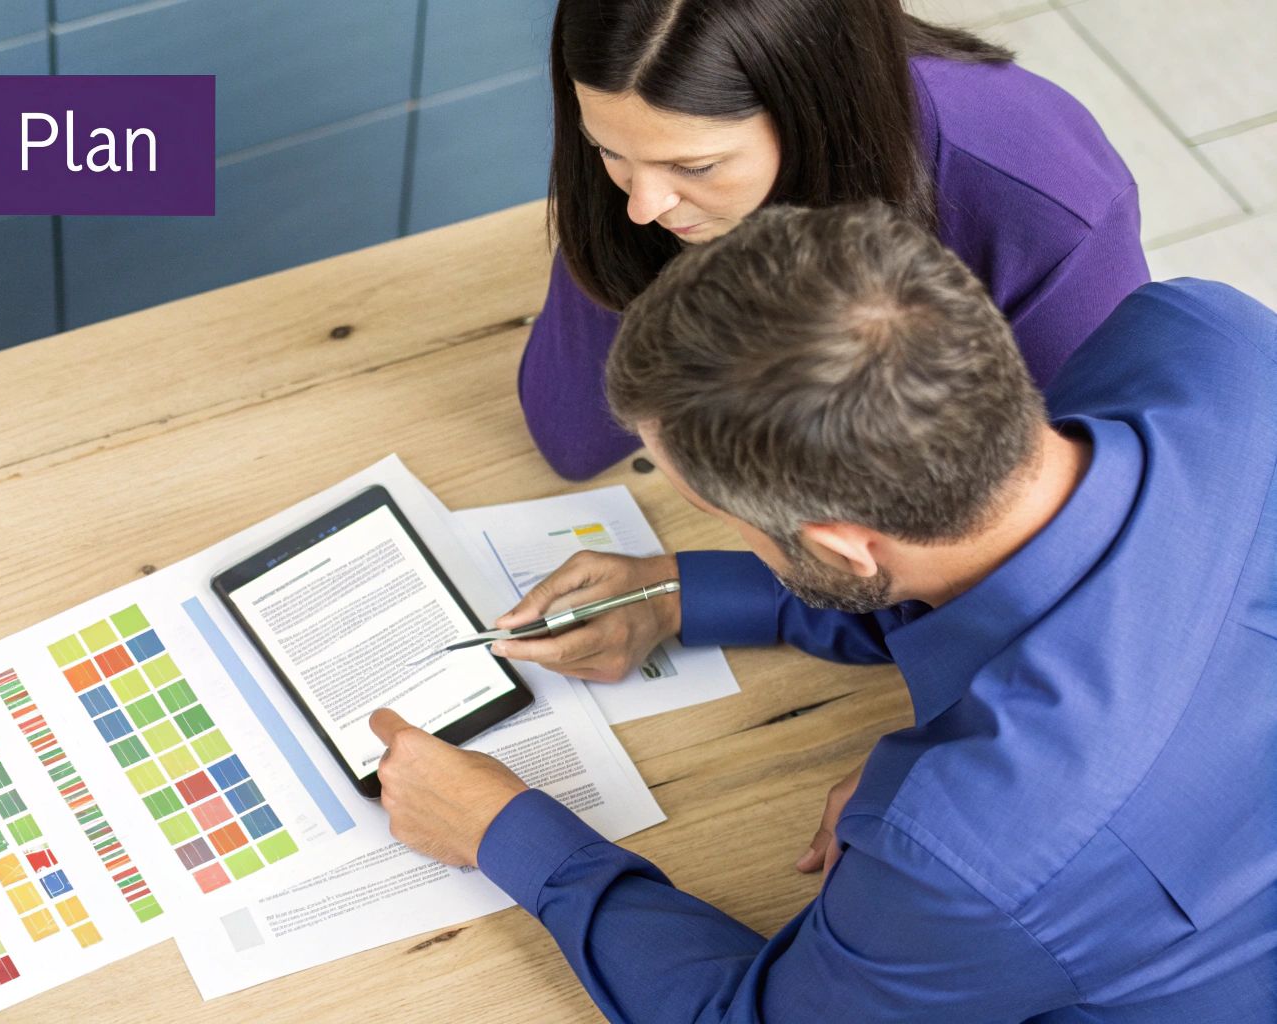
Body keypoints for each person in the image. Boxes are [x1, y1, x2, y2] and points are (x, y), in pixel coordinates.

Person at [370, 203, 1277, 1021]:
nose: (713, 530)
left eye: (716, 516)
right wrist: (688, 589)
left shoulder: (969, 856)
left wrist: (505, 833)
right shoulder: (1210, 340)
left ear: (844, 547)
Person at [523, 0, 1150, 481]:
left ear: (816, 115)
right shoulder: (650, 159)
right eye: (607, 148)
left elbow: (1061, 505)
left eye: (695, 167)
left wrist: (702, 590)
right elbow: (573, 435)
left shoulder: (1048, 207)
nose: (641, 207)